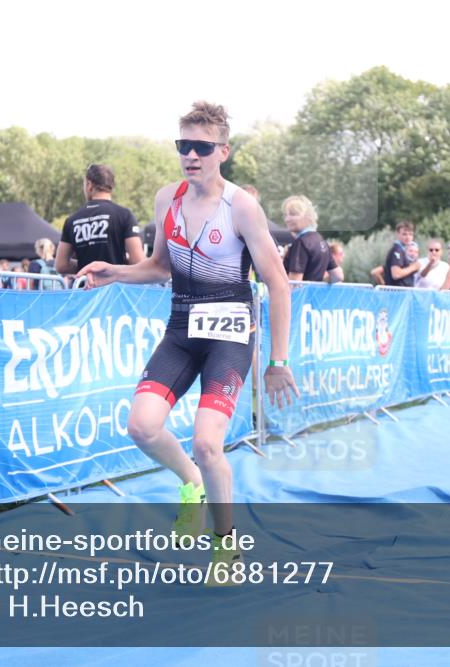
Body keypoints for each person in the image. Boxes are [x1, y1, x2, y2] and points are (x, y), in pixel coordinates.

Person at [76, 101, 298, 571]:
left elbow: (278, 284)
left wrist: (278, 360)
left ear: (223, 151)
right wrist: (113, 270)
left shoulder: (241, 206)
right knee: (141, 426)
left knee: (207, 442)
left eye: (201, 147)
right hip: (182, 327)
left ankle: (226, 545)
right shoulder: (166, 199)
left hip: (230, 335)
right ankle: (191, 484)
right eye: (183, 146)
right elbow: (159, 267)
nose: (191, 155)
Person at [56, 164, 144, 275]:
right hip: (116, 288)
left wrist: (88, 267)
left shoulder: (72, 220)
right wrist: (115, 267)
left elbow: (61, 265)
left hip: (86, 288)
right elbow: (138, 261)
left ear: (89, 185)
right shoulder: (124, 215)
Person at [281, 195, 342, 283]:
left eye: (293, 214)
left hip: (300, 296)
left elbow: (294, 283)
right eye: (286, 215)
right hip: (315, 296)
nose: (287, 219)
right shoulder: (321, 241)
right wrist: (318, 287)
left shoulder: (301, 243)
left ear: (308, 216)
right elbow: (338, 276)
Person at [382, 221, 421, 287]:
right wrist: (413, 267)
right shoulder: (397, 250)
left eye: (410, 234)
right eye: (404, 234)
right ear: (397, 234)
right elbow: (396, 274)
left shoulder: (403, 250)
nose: (408, 237)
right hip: (398, 294)